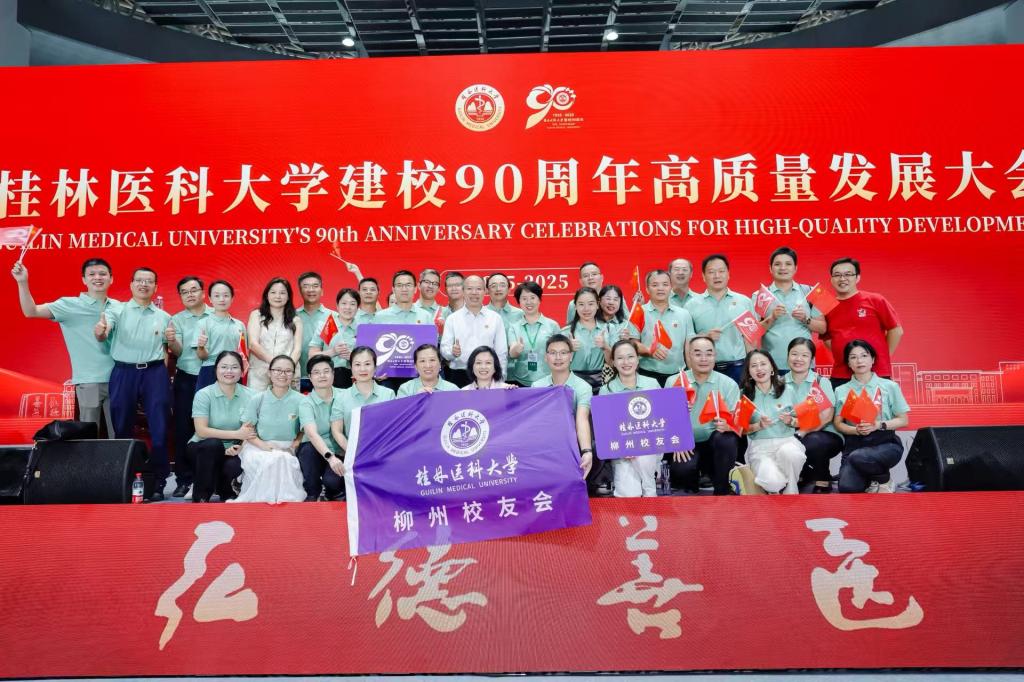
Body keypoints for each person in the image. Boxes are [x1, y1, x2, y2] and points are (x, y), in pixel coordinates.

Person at [11, 258, 119, 436]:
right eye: (92, 274)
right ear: (84, 279)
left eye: (102, 274)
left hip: (120, 378)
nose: (97, 277)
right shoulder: (69, 305)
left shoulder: (120, 307)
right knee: (88, 435)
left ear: (111, 278)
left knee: (119, 435)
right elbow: (31, 311)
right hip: (89, 380)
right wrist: (22, 282)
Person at [94, 267, 172, 501]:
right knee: (122, 426)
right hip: (124, 371)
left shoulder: (164, 316)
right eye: (139, 280)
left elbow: (168, 349)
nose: (143, 284)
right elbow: (103, 331)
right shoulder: (116, 309)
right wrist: (101, 331)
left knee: (159, 428)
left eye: (149, 281)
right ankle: (123, 479)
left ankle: (158, 482)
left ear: (155, 287)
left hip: (154, 373)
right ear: (131, 284)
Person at [663, 335, 741, 496]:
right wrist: (678, 441)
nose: (703, 359)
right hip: (686, 444)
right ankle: (693, 484)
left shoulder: (728, 384)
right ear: (689, 356)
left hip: (714, 442)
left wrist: (729, 426)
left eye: (709, 353)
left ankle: (722, 489)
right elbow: (664, 420)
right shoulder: (674, 381)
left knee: (727, 439)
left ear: (715, 356)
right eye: (698, 353)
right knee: (682, 472)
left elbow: (738, 423)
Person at [833, 340, 910, 493]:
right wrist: (856, 430)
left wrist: (878, 425)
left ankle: (884, 480)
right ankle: (871, 478)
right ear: (848, 363)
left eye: (864, 355)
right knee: (848, 488)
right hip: (855, 443)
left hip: (885, 442)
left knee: (858, 457)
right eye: (853, 357)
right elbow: (838, 424)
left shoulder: (889, 386)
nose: (859, 360)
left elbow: (903, 420)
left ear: (872, 359)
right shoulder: (841, 390)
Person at [230, 354, 306, 504]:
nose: (282, 374)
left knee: (283, 459)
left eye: (288, 371)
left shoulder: (301, 400)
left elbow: (305, 429)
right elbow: (247, 430)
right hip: (257, 446)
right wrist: (265, 446)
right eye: (277, 370)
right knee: (273, 459)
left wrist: (297, 442)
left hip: (287, 448)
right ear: (269, 373)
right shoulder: (258, 399)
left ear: (293, 374)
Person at [822, 257, 903, 389]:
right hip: (841, 374)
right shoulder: (827, 305)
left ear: (858, 277)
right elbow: (827, 339)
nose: (842, 278)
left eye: (848, 274)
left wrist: (880, 357)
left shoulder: (875, 300)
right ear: (831, 279)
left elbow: (896, 330)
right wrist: (845, 354)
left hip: (876, 373)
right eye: (837, 275)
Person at [167, 276, 212, 498]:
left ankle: (211, 478)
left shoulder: (217, 315)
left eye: (194, 290)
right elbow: (177, 351)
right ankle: (184, 479)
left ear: (203, 292)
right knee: (183, 428)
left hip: (214, 378)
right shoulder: (176, 320)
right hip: (187, 377)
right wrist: (171, 341)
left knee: (212, 427)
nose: (190, 294)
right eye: (185, 292)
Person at [187, 351, 254, 502]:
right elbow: (201, 431)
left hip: (234, 448)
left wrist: (241, 447)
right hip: (202, 447)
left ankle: (225, 491)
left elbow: (250, 430)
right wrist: (237, 434)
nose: (229, 371)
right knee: (213, 445)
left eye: (234, 367)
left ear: (242, 371)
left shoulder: (252, 395)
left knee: (234, 466)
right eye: (224, 367)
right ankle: (201, 497)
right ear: (216, 369)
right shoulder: (204, 394)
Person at [738, 350, 806, 494]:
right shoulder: (744, 395)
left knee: (791, 454)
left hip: (787, 442)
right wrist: (758, 426)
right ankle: (775, 487)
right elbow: (741, 430)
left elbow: (803, 420)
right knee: (773, 483)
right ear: (749, 372)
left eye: (763, 364)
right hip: (760, 448)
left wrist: (791, 421)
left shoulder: (788, 390)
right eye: (754, 366)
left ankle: (791, 489)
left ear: (772, 368)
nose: (759, 369)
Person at [599, 339, 661, 497]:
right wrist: (623, 448)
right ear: (613, 362)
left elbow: (662, 418)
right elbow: (605, 427)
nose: (626, 362)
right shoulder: (606, 390)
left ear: (638, 359)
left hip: (650, 446)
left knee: (645, 457)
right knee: (629, 496)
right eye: (620, 358)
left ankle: (650, 488)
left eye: (630, 357)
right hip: (622, 452)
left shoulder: (652, 384)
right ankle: (648, 482)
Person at [533, 334, 594, 483]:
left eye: (563, 353)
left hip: (571, 446)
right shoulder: (537, 386)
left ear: (571, 356)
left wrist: (586, 451)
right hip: (544, 447)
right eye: (553, 353)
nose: (558, 357)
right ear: (546, 357)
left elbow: (582, 420)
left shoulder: (583, 387)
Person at [685, 254, 754, 384]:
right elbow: (687, 343)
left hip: (738, 368)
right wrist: (705, 337)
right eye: (711, 272)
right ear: (703, 276)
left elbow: (751, 340)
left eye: (721, 271)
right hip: (704, 368)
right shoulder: (691, 306)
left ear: (728, 274)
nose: (717, 276)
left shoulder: (744, 302)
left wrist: (752, 369)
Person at [755, 247, 826, 373]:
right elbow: (753, 333)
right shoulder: (759, 295)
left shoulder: (814, 291)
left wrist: (806, 319)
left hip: (804, 364)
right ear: (770, 268)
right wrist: (772, 317)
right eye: (777, 264)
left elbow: (823, 328)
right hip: (771, 365)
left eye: (788, 264)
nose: (783, 268)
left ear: (795, 268)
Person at [785, 338, 843, 493]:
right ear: (787, 356)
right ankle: (803, 475)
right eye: (794, 354)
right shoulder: (780, 383)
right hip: (793, 432)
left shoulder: (820, 381)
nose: (798, 359)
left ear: (811, 360)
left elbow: (827, 416)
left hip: (824, 433)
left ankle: (822, 479)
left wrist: (803, 431)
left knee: (812, 441)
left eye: (804, 355)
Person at [440, 275, 508, 387]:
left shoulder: (495, 318)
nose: (474, 292)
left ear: (485, 291)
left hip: (487, 374)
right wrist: (452, 352)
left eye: (478, 289)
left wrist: (500, 380)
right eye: (469, 289)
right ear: (463, 291)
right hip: (459, 374)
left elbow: (501, 352)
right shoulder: (452, 319)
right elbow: (444, 349)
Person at [296, 355, 347, 502]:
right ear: (310, 377)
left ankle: (333, 492)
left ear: (333, 373)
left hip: (340, 450)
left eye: (326, 371)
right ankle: (312, 492)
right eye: (316, 372)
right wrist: (330, 458)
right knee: (307, 450)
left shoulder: (345, 395)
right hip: (316, 451)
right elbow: (311, 434)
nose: (322, 376)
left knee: (333, 482)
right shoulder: (306, 402)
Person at [636, 269, 695, 385]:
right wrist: (649, 351)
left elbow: (689, 348)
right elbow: (632, 343)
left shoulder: (684, 314)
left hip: (678, 375)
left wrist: (692, 375)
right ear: (647, 289)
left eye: (665, 284)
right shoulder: (639, 313)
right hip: (647, 375)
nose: (660, 288)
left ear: (671, 288)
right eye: (655, 285)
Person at [246, 278, 303, 392]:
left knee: (288, 403)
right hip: (260, 373)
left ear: (288, 297)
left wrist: (286, 368)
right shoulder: (256, 315)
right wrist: (276, 365)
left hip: (287, 375)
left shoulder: (296, 320)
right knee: (258, 402)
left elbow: (297, 350)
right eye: (273, 292)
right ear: (267, 295)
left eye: (282, 293)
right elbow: (253, 344)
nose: (278, 296)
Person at [333, 346, 396, 444]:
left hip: (383, 449)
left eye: (367, 364)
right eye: (357, 364)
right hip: (351, 450)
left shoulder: (388, 394)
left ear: (375, 367)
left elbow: (393, 428)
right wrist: (352, 451)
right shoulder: (341, 397)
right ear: (351, 368)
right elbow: (337, 431)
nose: (362, 369)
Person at [196, 280, 246, 393]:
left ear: (232, 298)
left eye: (226, 295)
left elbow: (243, 355)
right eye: (217, 296)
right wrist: (201, 347)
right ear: (210, 299)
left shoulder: (239, 325)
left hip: (233, 371)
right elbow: (202, 356)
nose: (222, 299)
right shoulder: (202, 323)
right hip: (210, 370)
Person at [506, 281, 560, 386]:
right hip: (520, 381)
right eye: (524, 299)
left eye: (532, 298)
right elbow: (512, 354)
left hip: (548, 380)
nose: (529, 302)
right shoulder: (513, 327)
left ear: (539, 299)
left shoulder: (552, 325)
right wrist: (516, 350)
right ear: (519, 302)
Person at [307, 288, 359, 389]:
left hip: (354, 378)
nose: (348, 307)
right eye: (344, 303)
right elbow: (311, 356)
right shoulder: (327, 326)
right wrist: (333, 352)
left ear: (357, 307)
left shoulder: (362, 329)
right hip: (328, 376)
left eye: (352, 304)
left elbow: (369, 358)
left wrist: (354, 358)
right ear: (337, 306)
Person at [562, 287, 607, 392]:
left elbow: (615, 362)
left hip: (602, 383)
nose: (586, 309)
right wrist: (567, 350)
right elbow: (557, 363)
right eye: (581, 304)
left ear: (597, 305)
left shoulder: (608, 329)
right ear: (575, 306)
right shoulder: (566, 332)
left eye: (591, 304)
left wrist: (605, 347)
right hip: (574, 384)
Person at [295, 272, 332, 393]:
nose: (311, 290)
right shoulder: (291, 316)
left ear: (322, 291)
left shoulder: (333, 316)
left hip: (325, 378)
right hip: (297, 377)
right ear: (300, 291)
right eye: (306, 286)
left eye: (315, 286)